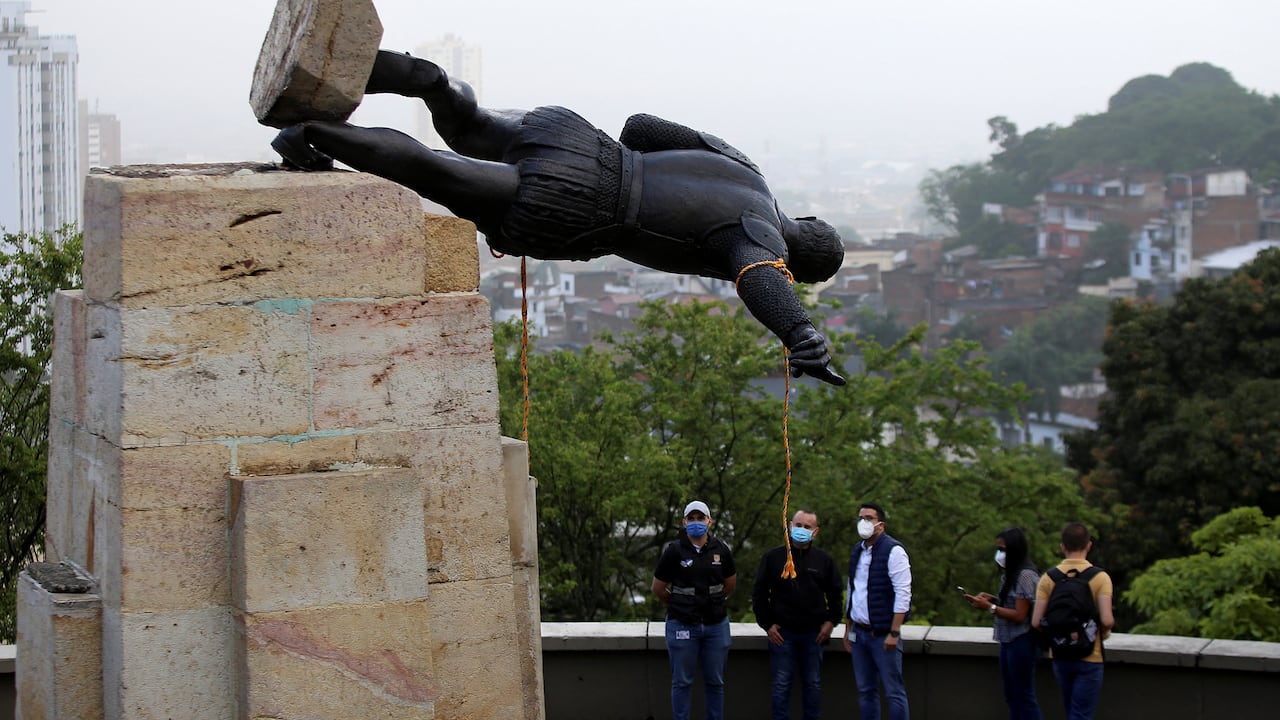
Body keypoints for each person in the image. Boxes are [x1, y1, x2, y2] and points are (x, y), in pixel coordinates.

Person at [269, 50, 846, 385]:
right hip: (584, 203)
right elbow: (761, 279)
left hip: (580, 142)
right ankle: (312, 133)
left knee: (468, 124)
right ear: (801, 263)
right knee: (439, 171)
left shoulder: (745, 168)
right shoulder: (760, 241)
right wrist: (800, 334)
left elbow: (641, 126)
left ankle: (431, 82)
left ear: (809, 218)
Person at [751, 509, 844, 720]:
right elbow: (759, 594)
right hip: (783, 635)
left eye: (807, 527)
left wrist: (831, 622)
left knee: (813, 684)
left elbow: (836, 594)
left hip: (814, 635)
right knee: (781, 684)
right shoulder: (773, 558)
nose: (801, 530)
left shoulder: (824, 561)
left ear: (815, 531)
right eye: (798, 525)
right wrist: (768, 625)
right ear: (789, 526)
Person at [652, 500, 738, 720]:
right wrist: (681, 605)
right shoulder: (674, 551)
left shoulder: (721, 550)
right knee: (681, 682)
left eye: (701, 518)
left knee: (715, 682)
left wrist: (713, 602)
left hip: (715, 626)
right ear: (684, 522)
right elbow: (658, 588)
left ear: (709, 521)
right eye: (691, 518)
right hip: (682, 625)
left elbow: (730, 584)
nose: (696, 523)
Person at [1029, 523, 1115, 720]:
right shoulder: (1100, 578)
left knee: (1071, 711)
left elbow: (1036, 622)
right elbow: (1107, 620)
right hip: (1090, 655)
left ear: (1062, 547)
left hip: (1060, 654)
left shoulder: (1049, 578)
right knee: (1081, 715)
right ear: (1089, 545)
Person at [963, 527, 1043, 720]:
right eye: (998, 549)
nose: (1000, 554)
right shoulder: (1010, 573)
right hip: (1007, 641)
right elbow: (1012, 603)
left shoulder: (1025, 575)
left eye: (1003, 550)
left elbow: (1020, 614)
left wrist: (989, 608)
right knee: (1011, 695)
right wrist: (992, 600)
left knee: (1024, 695)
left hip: (1021, 640)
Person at [842, 502, 911, 720]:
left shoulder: (894, 551)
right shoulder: (857, 550)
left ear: (880, 525)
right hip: (859, 634)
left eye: (869, 518)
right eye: (861, 517)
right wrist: (848, 628)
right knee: (865, 691)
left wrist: (894, 631)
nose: (863, 522)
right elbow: (853, 589)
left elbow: (903, 592)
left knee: (894, 693)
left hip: (882, 635)